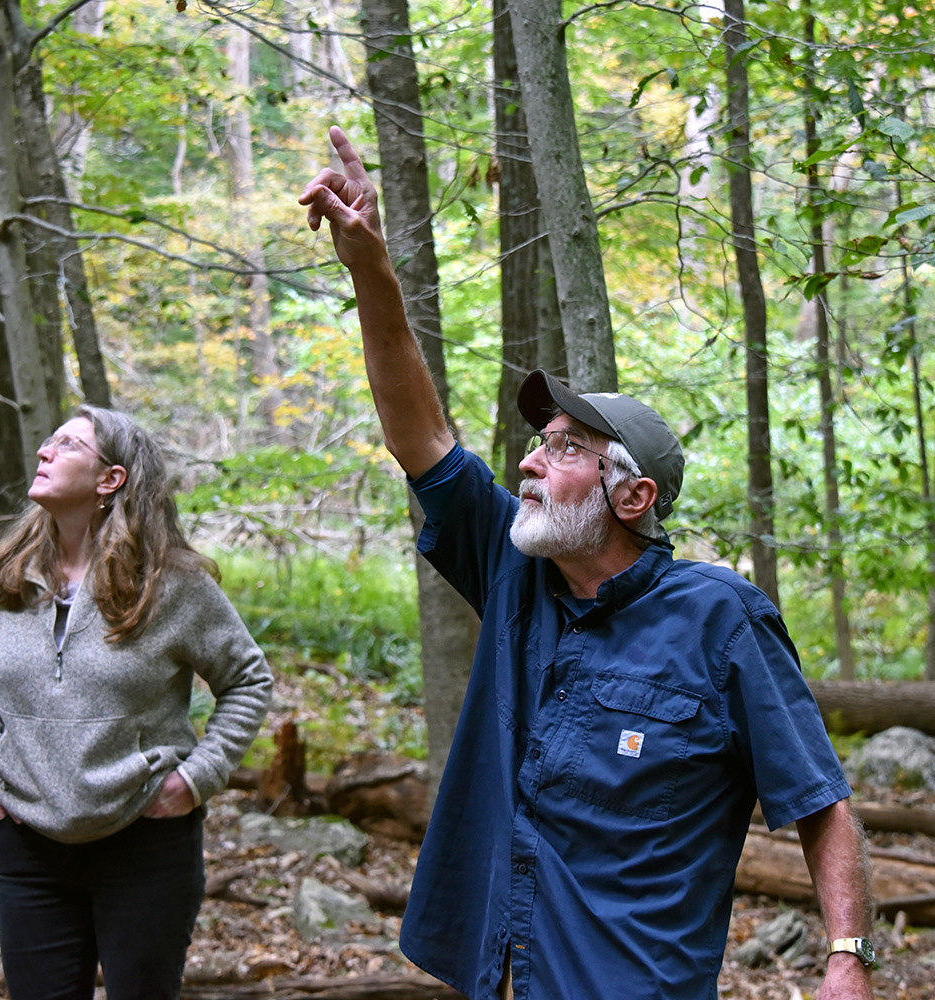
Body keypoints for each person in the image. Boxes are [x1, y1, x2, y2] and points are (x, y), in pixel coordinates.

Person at [299, 125, 874, 1000]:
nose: (530, 461)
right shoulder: (514, 569)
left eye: (566, 450)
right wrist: (369, 268)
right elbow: (418, 434)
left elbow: (819, 802)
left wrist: (846, 959)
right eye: (538, 443)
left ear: (631, 499)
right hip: (498, 973)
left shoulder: (722, 619)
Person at [0, 405, 272, 1000]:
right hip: (27, 842)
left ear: (110, 480)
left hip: (145, 842)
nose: (45, 451)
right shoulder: (3, 579)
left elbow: (247, 679)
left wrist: (196, 778)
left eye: (67, 445)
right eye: (48, 441)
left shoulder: (172, 584)